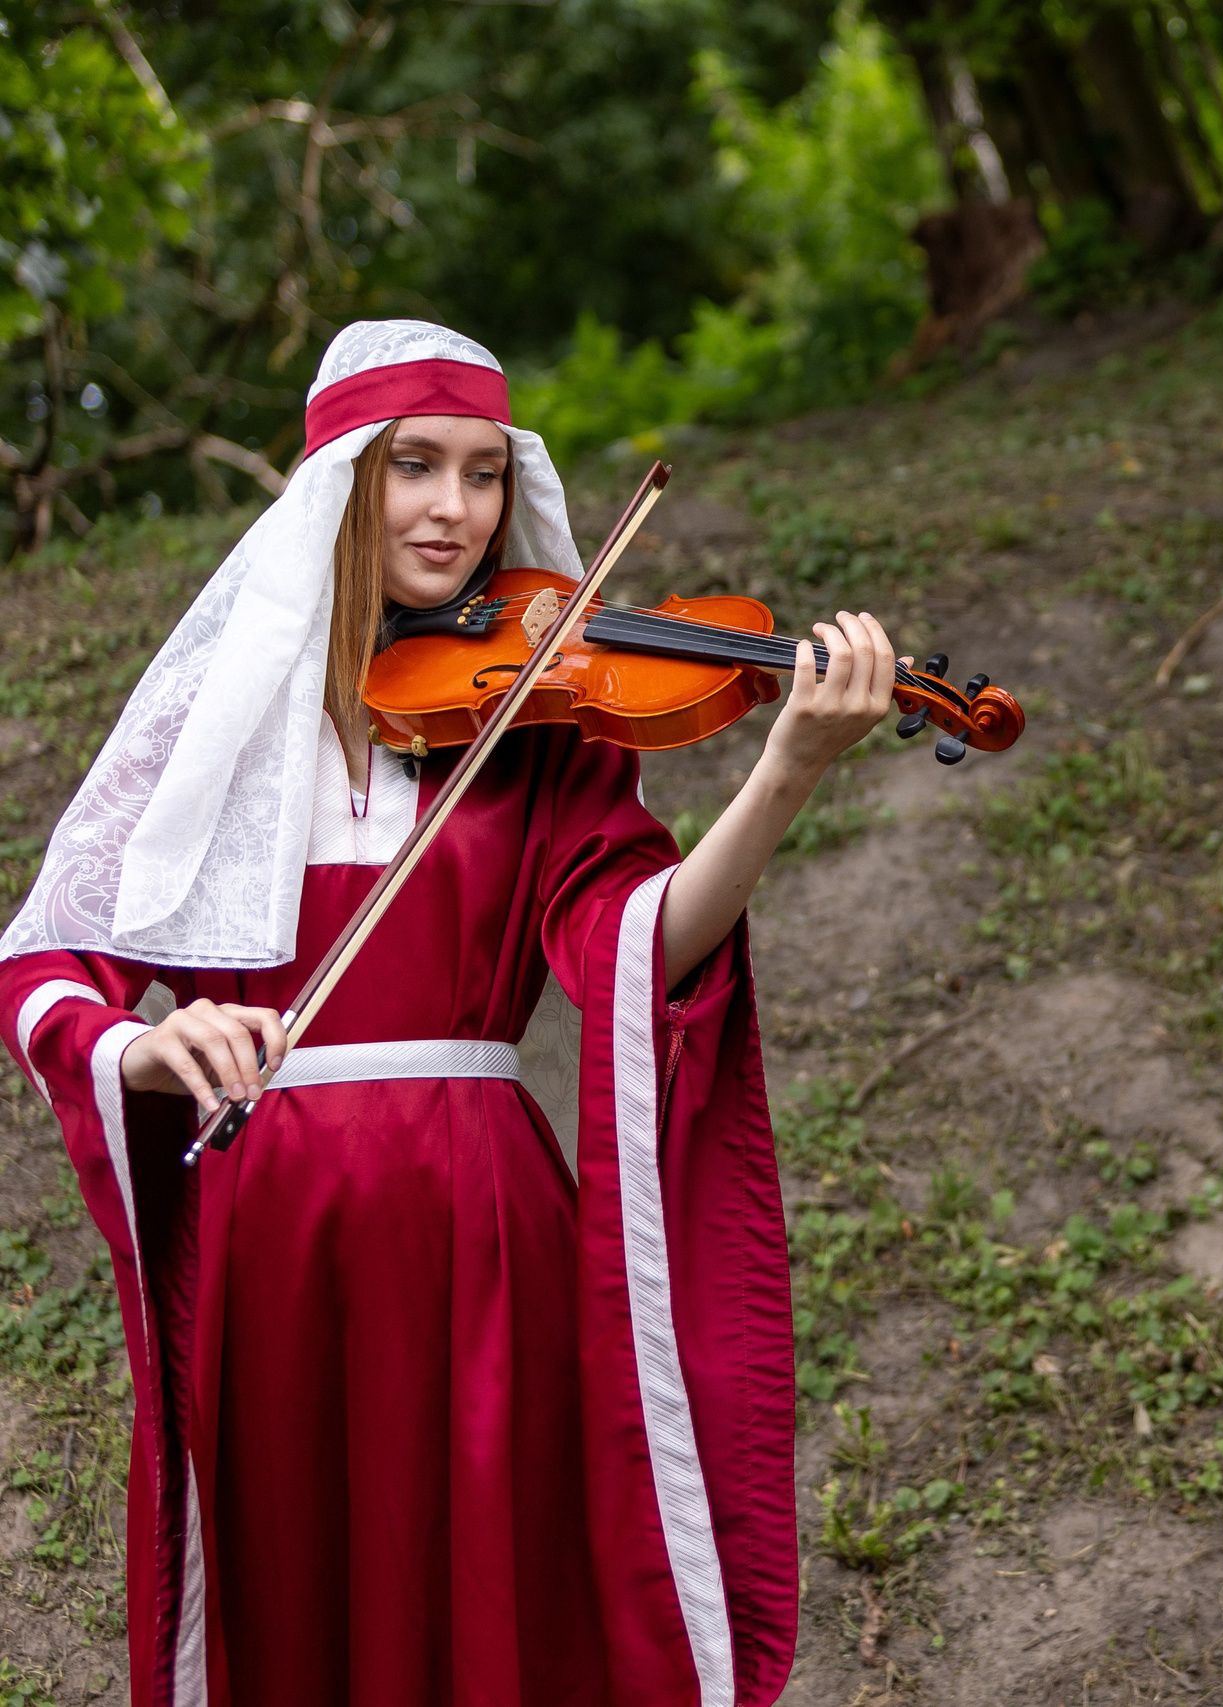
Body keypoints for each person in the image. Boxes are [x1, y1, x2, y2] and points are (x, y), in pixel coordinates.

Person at [0, 320, 901, 1707]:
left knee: (505, 1605)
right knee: (293, 1601)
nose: (454, 508)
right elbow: (49, 964)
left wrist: (783, 771)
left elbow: (639, 947)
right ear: (343, 486)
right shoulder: (221, 727)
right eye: (415, 466)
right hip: (277, 1246)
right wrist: (144, 1043)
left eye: (484, 474)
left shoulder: (536, 728)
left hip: (486, 1232)